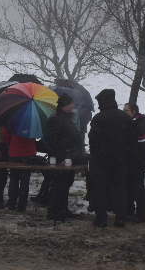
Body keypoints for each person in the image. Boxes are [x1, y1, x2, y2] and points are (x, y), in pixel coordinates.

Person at [88, 88, 133, 228]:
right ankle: (120, 218)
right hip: (120, 160)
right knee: (120, 188)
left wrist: (97, 153)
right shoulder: (124, 117)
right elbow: (131, 140)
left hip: (101, 161)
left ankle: (102, 218)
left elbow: (92, 139)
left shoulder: (99, 118)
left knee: (100, 189)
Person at [46, 93, 82, 221]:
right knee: (59, 184)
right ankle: (54, 211)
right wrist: (60, 157)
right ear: (63, 106)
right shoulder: (55, 118)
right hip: (61, 158)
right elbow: (52, 140)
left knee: (66, 183)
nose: (73, 105)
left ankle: (63, 209)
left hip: (69, 156)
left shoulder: (66, 117)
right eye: (70, 103)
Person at [123, 102, 145, 223]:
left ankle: (141, 215)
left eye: (127, 111)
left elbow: (143, 147)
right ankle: (129, 212)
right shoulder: (130, 123)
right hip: (130, 161)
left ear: (134, 112)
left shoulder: (141, 125)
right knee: (129, 187)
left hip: (138, 162)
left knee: (138, 187)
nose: (124, 112)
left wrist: (134, 157)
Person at [0, 125, 36, 212]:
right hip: (28, 153)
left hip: (14, 152)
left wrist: (12, 142)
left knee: (14, 179)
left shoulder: (14, 119)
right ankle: (22, 205)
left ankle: (12, 203)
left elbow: (4, 133)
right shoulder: (32, 120)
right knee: (25, 180)